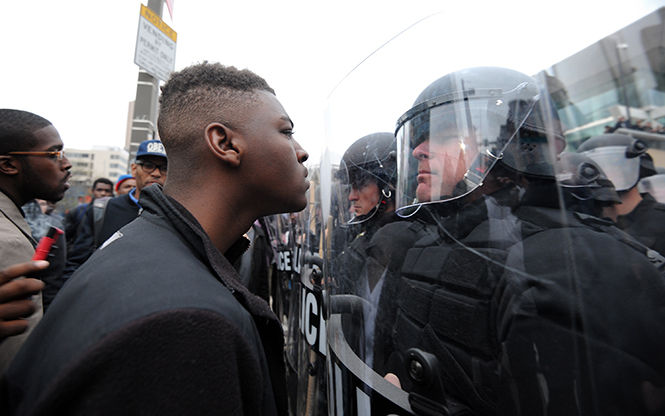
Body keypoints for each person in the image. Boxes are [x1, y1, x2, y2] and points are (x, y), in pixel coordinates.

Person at [325, 67, 665, 415]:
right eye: (417, 140)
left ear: (509, 146)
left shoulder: (579, 263)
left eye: (443, 133)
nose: (417, 152)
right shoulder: (427, 244)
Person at [2, 62, 309, 415]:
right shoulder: (190, 323)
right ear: (224, 143)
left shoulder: (145, 248)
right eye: (286, 132)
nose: (301, 151)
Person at [0, 109, 71, 373]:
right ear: (8, 165)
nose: (66, 164)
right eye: (54, 154)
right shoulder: (9, 243)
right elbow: (16, 366)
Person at [63, 139, 167, 279]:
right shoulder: (102, 210)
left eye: (164, 167)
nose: (156, 173)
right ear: (134, 169)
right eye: (148, 165)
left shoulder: (176, 215)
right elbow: (76, 263)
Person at [577, 133, 665, 254]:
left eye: (613, 164)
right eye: (592, 170)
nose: (602, 174)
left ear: (638, 167)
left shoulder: (661, 219)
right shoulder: (587, 229)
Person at [63, 177, 113, 246]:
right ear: (93, 191)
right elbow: (66, 236)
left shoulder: (115, 213)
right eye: (99, 190)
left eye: (107, 191)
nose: (103, 193)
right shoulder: (78, 211)